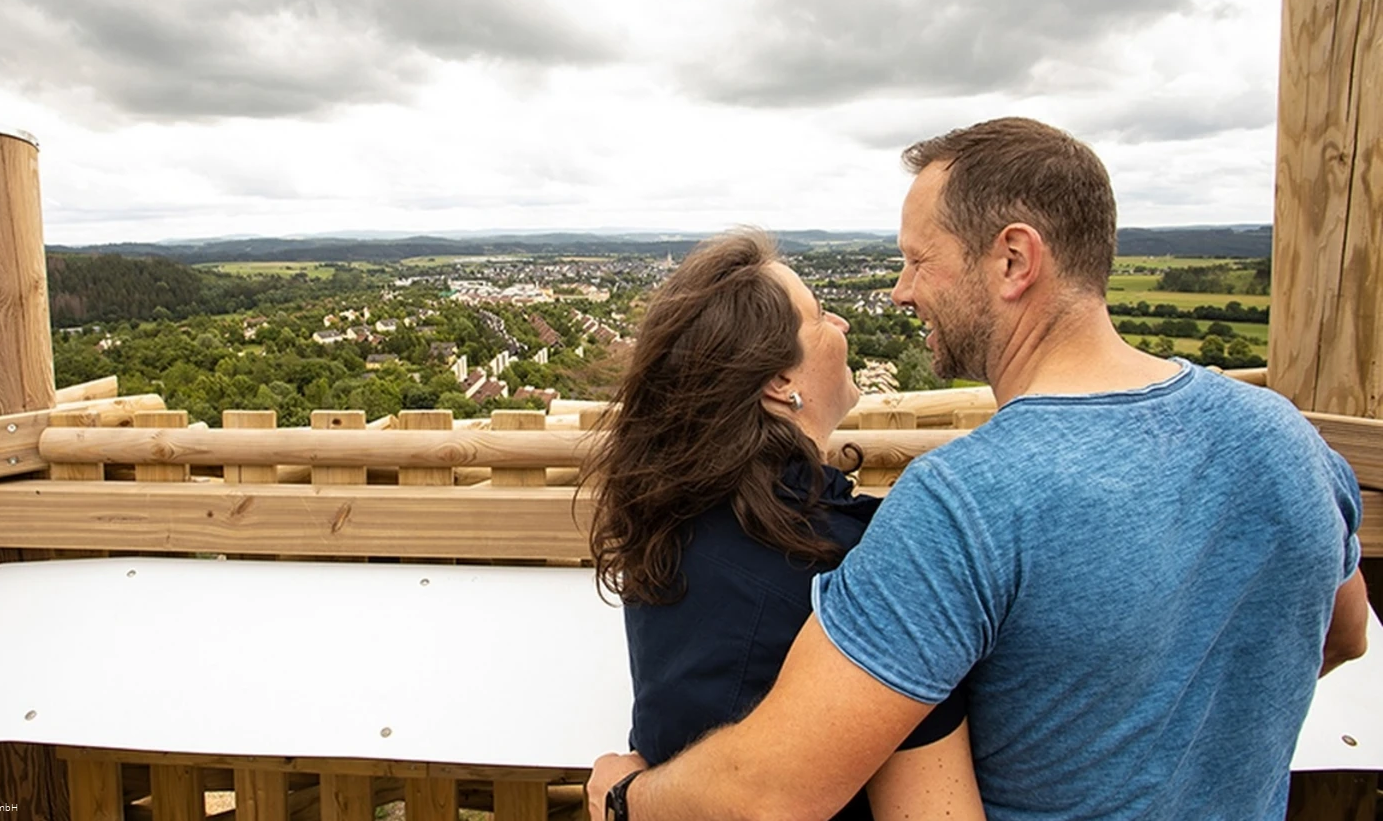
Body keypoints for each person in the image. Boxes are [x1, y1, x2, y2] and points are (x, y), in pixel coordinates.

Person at [588, 118, 1368, 821]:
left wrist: (626, 796)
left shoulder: (961, 506)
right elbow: (1343, 632)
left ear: (1013, 259)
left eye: (918, 261)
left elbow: (774, 789)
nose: (899, 292)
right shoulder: (1287, 439)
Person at [585, 230, 983, 820]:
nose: (843, 326)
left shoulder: (666, 523)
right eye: (821, 317)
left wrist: (626, 801)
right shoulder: (853, 561)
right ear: (779, 380)